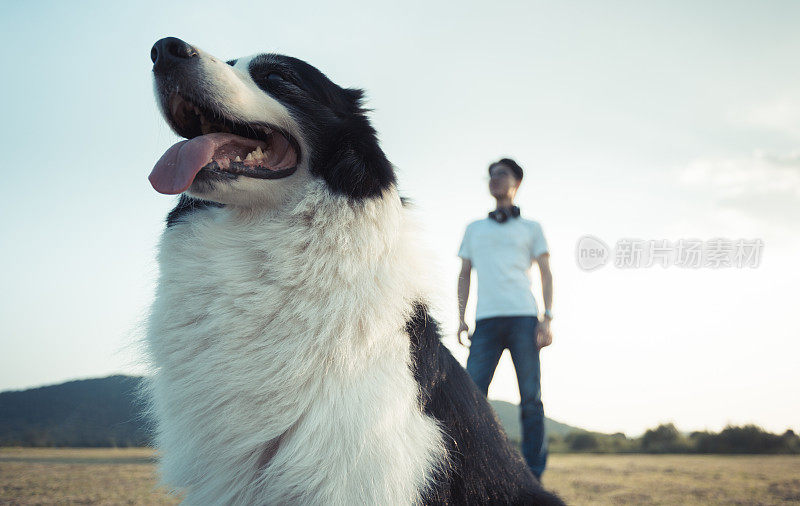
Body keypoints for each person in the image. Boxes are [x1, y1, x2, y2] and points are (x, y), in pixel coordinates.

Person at [456, 158, 554, 481]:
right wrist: (461, 318)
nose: (494, 179)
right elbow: (464, 274)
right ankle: (468, 468)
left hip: (524, 319)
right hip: (485, 322)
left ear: (517, 182)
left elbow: (545, 271)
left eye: (502, 174)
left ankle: (533, 474)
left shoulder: (531, 228)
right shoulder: (474, 228)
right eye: (491, 175)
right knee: (470, 397)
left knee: (530, 398)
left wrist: (547, 317)